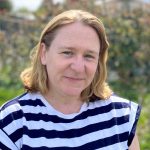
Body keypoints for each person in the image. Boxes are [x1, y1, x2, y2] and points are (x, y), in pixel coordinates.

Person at [0, 10, 141, 150]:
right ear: (43, 53)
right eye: (67, 53)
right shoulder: (12, 123)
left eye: (89, 56)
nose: (78, 67)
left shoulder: (121, 117)